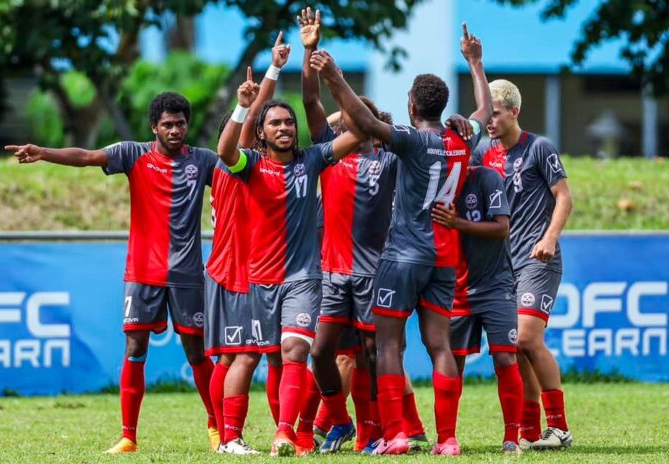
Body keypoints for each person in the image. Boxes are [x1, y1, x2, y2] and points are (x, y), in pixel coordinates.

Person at [309, 23, 491, 455]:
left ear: (411, 105)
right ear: (445, 107)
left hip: (404, 254)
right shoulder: (462, 140)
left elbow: (368, 122)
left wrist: (334, 77)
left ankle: (394, 436)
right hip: (445, 256)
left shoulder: (412, 141)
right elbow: (483, 110)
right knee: (440, 345)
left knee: (389, 344)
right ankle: (447, 439)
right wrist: (475, 63)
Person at [6, 92, 219, 454]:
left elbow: (238, 180)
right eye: (167, 124)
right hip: (142, 273)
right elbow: (87, 157)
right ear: (154, 127)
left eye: (180, 123)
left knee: (197, 352)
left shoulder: (203, 161)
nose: (175, 130)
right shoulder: (133, 154)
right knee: (135, 348)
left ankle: (218, 428)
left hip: (186, 275)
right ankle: (128, 437)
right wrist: (44, 152)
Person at [216, 67, 362, 456]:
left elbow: (360, 132)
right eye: (275, 123)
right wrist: (241, 109)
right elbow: (224, 152)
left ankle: (286, 432)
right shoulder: (249, 165)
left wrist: (333, 79)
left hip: (303, 278)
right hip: (259, 280)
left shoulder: (312, 159)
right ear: (262, 132)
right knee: (262, 359)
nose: (284, 128)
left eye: (289, 122)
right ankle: (230, 435)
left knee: (295, 351)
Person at [472, 79, 574, 450]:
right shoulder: (485, 152)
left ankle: (560, 428)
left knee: (528, 337)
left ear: (514, 112)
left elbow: (564, 198)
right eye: (488, 115)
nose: (490, 121)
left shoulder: (540, 147)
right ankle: (531, 431)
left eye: (495, 114)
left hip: (538, 260)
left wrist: (549, 239)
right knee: (515, 345)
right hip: (502, 267)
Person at [206, 33, 291, 455]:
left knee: (251, 356)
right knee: (247, 356)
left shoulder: (245, 166)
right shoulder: (238, 166)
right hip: (239, 273)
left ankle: (272, 433)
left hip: (240, 271)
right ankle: (229, 437)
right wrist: (271, 74)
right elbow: (254, 118)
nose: (269, 130)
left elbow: (259, 117)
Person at [431, 165, 523, 455]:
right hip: (454, 289)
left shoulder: (486, 177)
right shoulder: (432, 178)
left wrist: (458, 223)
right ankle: (446, 439)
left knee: (505, 358)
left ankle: (512, 438)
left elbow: (502, 227)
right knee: (451, 362)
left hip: (496, 287)